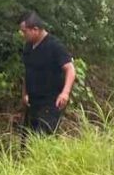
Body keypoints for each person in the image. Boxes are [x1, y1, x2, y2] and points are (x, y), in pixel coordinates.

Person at [18, 11, 76, 139]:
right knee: (27, 141)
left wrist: (65, 93)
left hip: (51, 102)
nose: (22, 35)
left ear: (35, 29)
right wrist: (25, 94)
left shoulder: (54, 46)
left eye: (24, 31)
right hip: (33, 102)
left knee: (43, 138)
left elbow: (70, 69)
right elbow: (27, 72)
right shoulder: (28, 47)